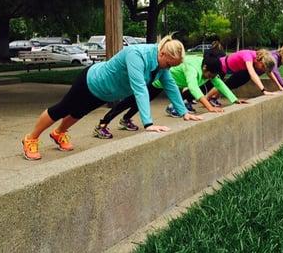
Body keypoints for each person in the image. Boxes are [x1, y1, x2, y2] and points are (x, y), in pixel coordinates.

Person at [21, 35, 202, 160]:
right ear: (162, 53)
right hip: (91, 81)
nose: (168, 69)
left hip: (104, 92)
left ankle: (59, 133)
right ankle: (31, 138)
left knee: (78, 113)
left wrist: (184, 112)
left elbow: (170, 86)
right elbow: (139, 88)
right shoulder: (137, 55)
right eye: (169, 64)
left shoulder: (162, 67)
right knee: (62, 109)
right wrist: (148, 124)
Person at [92, 52, 248, 137]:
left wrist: (234, 100)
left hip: (168, 83)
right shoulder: (193, 68)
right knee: (133, 100)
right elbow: (193, 87)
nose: (211, 79)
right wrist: (210, 108)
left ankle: (125, 120)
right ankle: (103, 123)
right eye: (210, 75)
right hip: (158, 79)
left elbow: (220, 84)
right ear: (205, 67)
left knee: (141, 101)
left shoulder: (210, 70)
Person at [205, 49, 278, 101]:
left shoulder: (257, 59)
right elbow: (252, 73)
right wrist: (263, 90)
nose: (262, 70)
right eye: (262, 67)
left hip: (230, 69)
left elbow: (269, 72)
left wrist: (281, 87)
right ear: (260, 60)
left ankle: (214, 98)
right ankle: (206, 97)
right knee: (220, 84)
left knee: (231, 83)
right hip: (221, 65)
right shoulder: (248, 56)